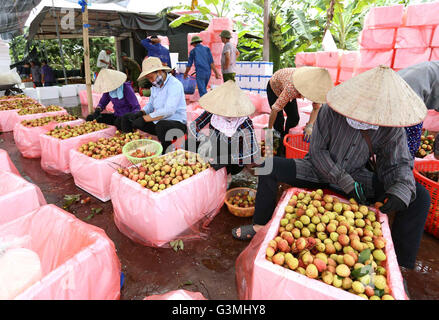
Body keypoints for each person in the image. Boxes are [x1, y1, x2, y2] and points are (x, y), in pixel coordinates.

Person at [233, 66, 431, 271]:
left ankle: (399, 265)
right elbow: (318, 153)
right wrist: (344, 181)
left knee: (420, 197)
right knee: (268, 166)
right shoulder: (330, 112)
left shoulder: (389, 126)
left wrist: (400, 189)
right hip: (317, 170)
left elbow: (397, 163)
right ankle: (259, 226)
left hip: (358, 178)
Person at [188, 80, 261, 176]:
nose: (226, 113)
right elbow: (194, 126)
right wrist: (201, 138)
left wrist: (227, 159)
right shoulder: (214, 112)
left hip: (233, 156)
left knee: (226, 164)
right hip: (214, 147)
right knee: (189, 144)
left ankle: (227, 175)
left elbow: (251, 152)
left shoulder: (244, 123)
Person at [122, 57, 187, 153]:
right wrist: (141, 113)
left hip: (176, 124)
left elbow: (169, 110)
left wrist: (144, 118)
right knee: (128, 117)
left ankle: (166, 152)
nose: (151, 81)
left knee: (161, 126)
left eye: (151, 77)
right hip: (159, 122)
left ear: (159, 71)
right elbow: (150, 105)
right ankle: (130, 145)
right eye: (148, 78)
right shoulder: (155, 87)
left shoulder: (175, 85)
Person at [266, 66, 334, 155]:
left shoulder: (317, 87)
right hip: (275, 87)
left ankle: (286, 139)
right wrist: (269, 129)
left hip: (287, 82)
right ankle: (279, 148)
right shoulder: (291, 89)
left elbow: (316, 107)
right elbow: (274, 110)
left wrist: (310, 125)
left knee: (294, 118)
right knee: (279, 121)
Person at [397, 61, 439, 159]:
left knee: (396, 136)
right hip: (409, 95)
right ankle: (401, 167)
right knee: (410, 144)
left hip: (397, 84)